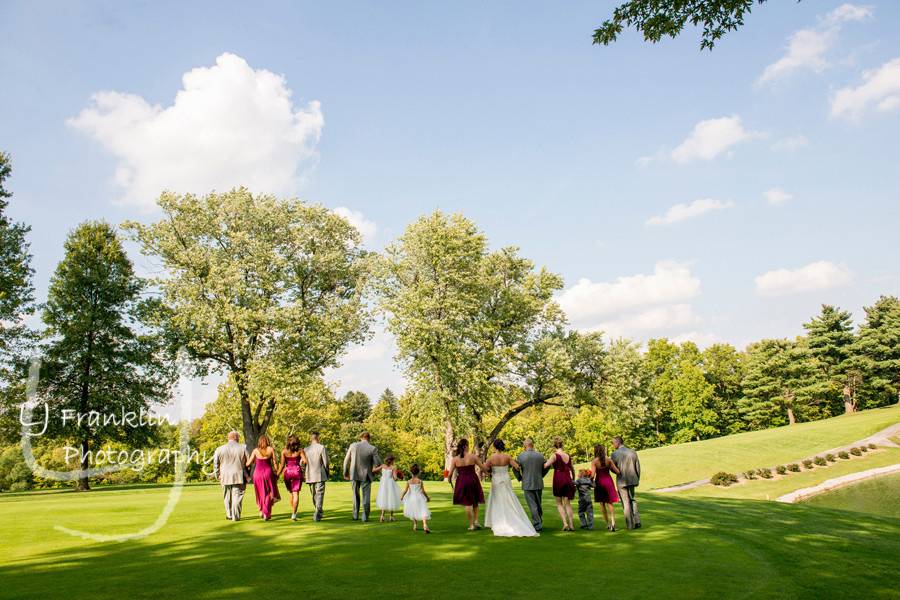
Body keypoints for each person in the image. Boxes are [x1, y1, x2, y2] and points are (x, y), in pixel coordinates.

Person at [483, 439, 539, 537]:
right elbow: (517, 467)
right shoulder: (507, 456)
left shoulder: (491, 458)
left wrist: (489, 472)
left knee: (497, 500)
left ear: (494, 447)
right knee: (508, 498)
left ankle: (499, 521)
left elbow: (485, 468)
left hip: (496, 480)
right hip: (506, 478)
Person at [343, 431, 381, 522]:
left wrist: (345, 472)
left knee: (355, 495)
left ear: (361, 437)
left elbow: (346, 460)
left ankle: (355, 515)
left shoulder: (353, 446)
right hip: (366, 475)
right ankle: (365, 517)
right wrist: (374, 473)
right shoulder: (373, 448)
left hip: (354, 474)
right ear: (369, 438)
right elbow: (378, 464)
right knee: (366, 497)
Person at [448, 438, 486, 531]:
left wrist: (449, 480)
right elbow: (483, 468)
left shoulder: (455, 459)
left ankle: (472, 524)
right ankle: (476, 521)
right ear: (465, 446)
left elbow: (450, 474)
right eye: (468, 445)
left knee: (467, 503)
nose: (469, 447)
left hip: (462, 481)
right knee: (475, 501)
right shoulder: (473, 457)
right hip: (472, 479)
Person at [213, 431, 249, 521]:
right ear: (236, 437)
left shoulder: (219, 449)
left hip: (224, 475)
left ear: (228, 438)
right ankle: (235, 516)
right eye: (238, 437)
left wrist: (218, 475)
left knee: (227, 496)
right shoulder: (243, 447)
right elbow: (248, 462)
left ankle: (229, 514)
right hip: (238, 475)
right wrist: (248, 474)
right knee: (237, 496)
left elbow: (215, 464)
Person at [514, 437, 548, 532]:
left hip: (527, 483)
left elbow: (514, 468)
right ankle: (539, 521)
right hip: (538, 482)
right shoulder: (540, 456)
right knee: (538, 504)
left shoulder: (521, 456)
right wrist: (542, 475)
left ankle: (537, 524)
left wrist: (520, 477)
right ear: (532, 445)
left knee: (533, 505)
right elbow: (547, 466)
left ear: (525, 446)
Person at [544, 437, 576, 531]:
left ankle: (565, 523)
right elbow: (572, 469)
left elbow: (546, 465)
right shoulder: (567, 456)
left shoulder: (554, 455)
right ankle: (571, 525)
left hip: (558, 479)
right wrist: (573, 478)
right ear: (562, 445)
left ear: (554, 446)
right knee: (568, 504)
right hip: (568, 479)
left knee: (559, 503)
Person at [246, 435, 280, 521]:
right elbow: (275, 463)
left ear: (259, 442)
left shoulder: (255, 451)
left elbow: (248, 464)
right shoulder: (271, 449)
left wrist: (253, 461)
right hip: (268, 473)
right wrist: (277, 472)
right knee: (269, 492)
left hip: (257, 474)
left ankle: (262, 511)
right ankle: (266, 512)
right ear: (267, 441)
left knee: (260, 492)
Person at [611, 436, 641, 530]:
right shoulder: (632, 451)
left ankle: (630, 525)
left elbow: (612, 468)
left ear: (618, 442)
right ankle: (637, 521)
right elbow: (638, 467)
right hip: (633, 479)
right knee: (632, 499)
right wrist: (637, 478)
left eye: (613, 443)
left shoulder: (614, 454)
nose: (613, 445)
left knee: (625, 502)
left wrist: (617, 472)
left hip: (621, 480)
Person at [277, 434, 307, 521]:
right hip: (297, 472)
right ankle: (294, 514)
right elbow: (305, 461)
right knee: (295, 493)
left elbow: (282, 465)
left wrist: (277, 475)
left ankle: (294, 511)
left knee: (291, 493)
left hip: (288, 472)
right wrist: (301, 462)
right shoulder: (300, 451)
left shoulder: (284, 451)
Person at [591, 443, 620, 532]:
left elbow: (592, 475)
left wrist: (587, 477)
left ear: (595, 451)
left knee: (602, 504)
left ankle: (608, 524)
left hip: (599, 482)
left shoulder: (594, 461)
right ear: (603, 450)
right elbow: (617, 471)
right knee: (610, 503)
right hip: (608, 481)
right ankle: (613, 523)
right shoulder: (609, 460)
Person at [304, 431, 329, 522]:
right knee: (319, 494)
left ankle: (318, 511)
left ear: (311, 438)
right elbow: (326, 462)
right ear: (318, 438)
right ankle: (318, 511)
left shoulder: (306, 449)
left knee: (314, 494)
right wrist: (327, 472)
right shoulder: (321, 447)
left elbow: (302, 463)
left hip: (310, 475)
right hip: (320, 474)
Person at [400, 463, 431, 533]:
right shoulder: (420, 481)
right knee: (423, 510)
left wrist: (402, 497)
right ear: (418, 472)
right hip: (419, 498)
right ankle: (425, 525)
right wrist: (427, 497)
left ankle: (415, 525)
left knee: (414, 511)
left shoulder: (409, 481)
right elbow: (423, 491)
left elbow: (405, 490)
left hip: (412, 498)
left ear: (411, 472)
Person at [374, 454, 401, 522]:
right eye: (393, 460)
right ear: (392, 461)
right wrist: (399, 476)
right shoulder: (393, 468)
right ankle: (391, 516)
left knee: (384, 498)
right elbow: (395, 478)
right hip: (390, 484)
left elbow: (373, 470)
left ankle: (382, 516)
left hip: (383, 484)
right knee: (391, 498)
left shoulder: (383, 466)